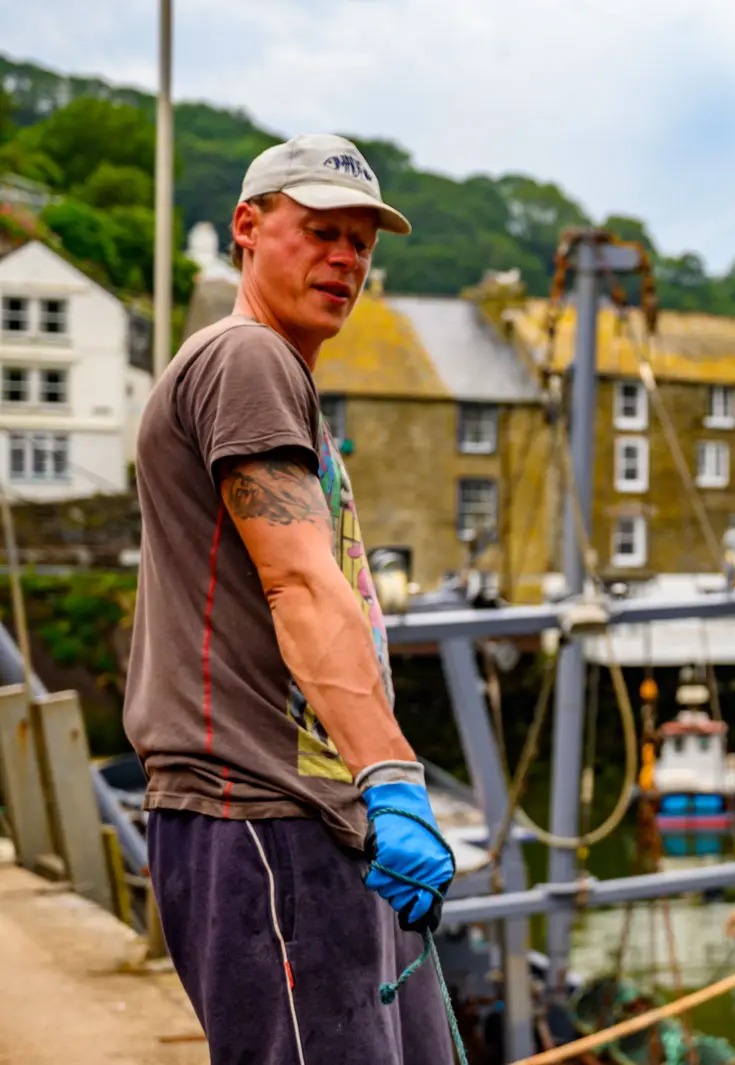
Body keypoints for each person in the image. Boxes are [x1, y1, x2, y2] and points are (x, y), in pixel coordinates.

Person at [125, 134, 456, 1064]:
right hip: (261, 814)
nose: (345, 258)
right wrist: (393, 778)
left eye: (361, 243)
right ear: (247, 225)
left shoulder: (275, 377)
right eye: (320, 231)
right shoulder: (247, 361)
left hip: (312, 813)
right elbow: (300, 581)